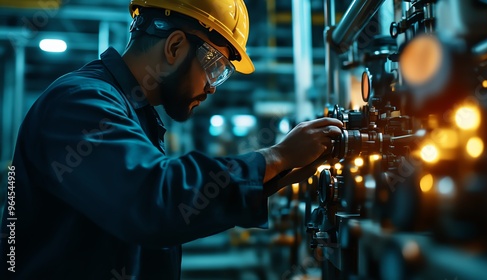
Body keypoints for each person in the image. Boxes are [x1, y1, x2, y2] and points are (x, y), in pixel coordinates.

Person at [0, 0, 342, 279]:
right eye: (216, 67)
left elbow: (164, 209)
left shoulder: (132, 112)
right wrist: (277, 156)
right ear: (175, 46)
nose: (211, 86)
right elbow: (153, 201)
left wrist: (273, 177)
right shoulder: (79, 101)